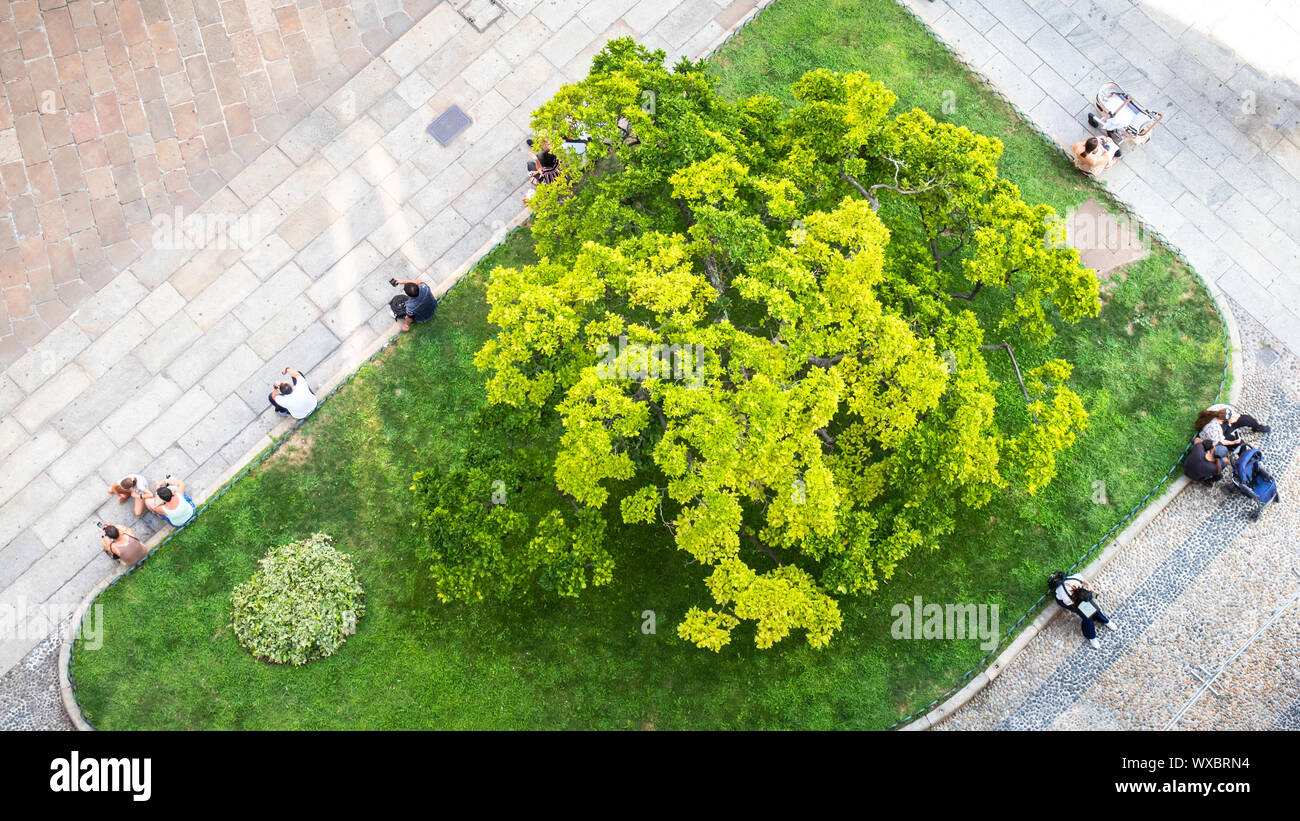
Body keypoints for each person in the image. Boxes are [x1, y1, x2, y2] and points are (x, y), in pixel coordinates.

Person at [1048, 571, 1116, 649]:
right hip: (1070, 602)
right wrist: (1082, 607)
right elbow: (1069, 604)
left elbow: (1085, 583)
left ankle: (1104, 620)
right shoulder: (1066, 596)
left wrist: (1090, 586)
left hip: (1080, 597)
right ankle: (1092, 637)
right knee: (1087, 616)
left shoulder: (1075, 579)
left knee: (1094, 608)